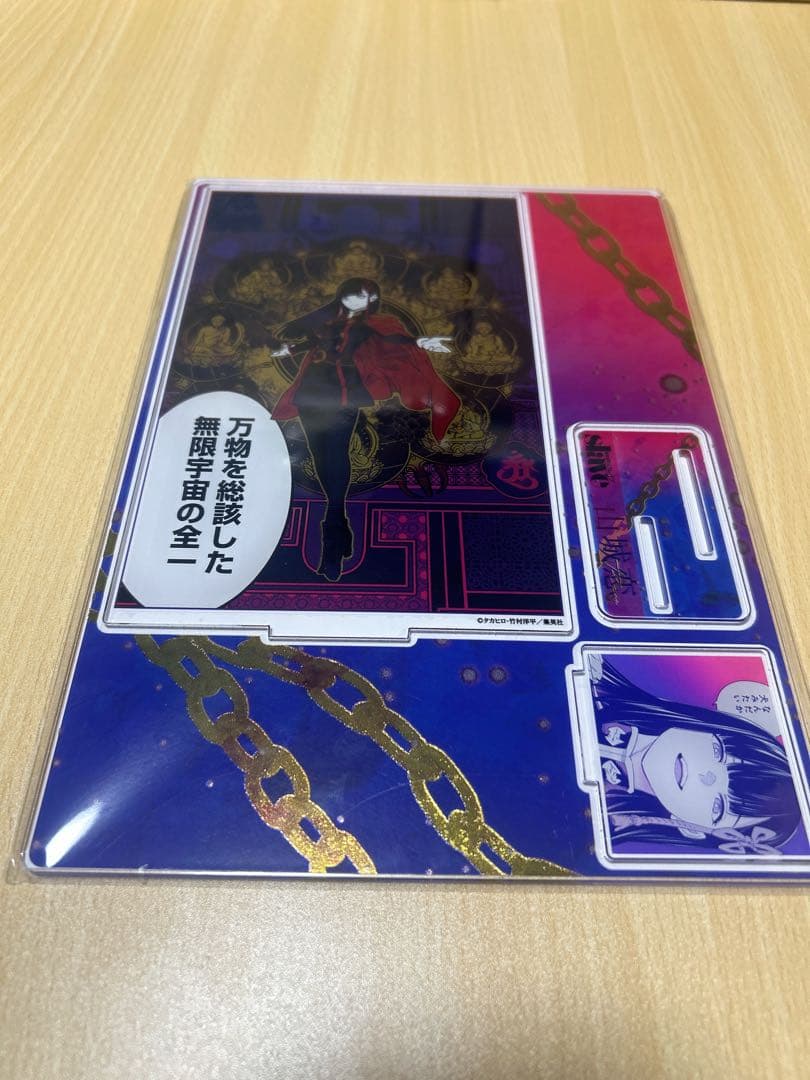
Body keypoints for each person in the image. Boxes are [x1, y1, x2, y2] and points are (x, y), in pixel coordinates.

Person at [271, 278, 461, 580]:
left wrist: (421, 342)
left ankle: (333, 534)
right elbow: (315, 343)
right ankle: (341, 525)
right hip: (312, 390)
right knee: (320, 455)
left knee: (336, 455)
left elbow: (394, 340)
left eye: (367, 297)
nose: (360, 301)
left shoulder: (374, 323)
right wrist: (289, 349)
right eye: (356, 294)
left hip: (344, 393)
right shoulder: (327, 320)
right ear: (343, 294)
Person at [591, 659, 802, 855]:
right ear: (711, 727)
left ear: (693, 830)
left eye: (718, 807)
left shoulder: (598, 826)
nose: (706, 776)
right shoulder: (594, 674)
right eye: (719, 752)